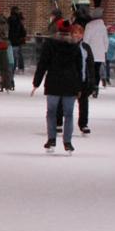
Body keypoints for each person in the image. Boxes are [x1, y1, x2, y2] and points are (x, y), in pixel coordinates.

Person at [32, 20, 83, 153]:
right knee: (69, 114)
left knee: (51, 112)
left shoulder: (50, 44)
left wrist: (36, 82)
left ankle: (51, 139)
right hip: (70, 83)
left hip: (53, 81)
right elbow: (79, 68)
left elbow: (43, 64)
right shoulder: (75, 46)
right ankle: (67, 142)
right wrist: (79, 87)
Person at [72, 23, 99, 136]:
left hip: (83, 80)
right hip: (70, 80)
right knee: (65, 103)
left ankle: (83, 124)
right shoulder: (67, 46)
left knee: (83, 103)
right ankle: (59, 121)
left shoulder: (86, 47)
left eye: (79, 33)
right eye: (74, 33)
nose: (77, 35)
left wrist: (92, 81)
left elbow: (90, 65)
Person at [83, 8, 110, 95]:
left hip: (90, 52)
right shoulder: (103, 27)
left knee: (89, 70)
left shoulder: (89, 26)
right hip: (100, 53)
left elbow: (86, 39)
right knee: (97, 70)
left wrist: (84, 49)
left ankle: (89, 87)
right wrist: (105, 50)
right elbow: (106, 40)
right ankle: (96, 87)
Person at [8, 6, 28, 75]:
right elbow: (23, 32)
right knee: (15, 58)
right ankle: (12, 73)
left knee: (9, 58)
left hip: (9, 42)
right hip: (16, 42)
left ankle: (8, 73)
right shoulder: (19, 21)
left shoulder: (9, 20)